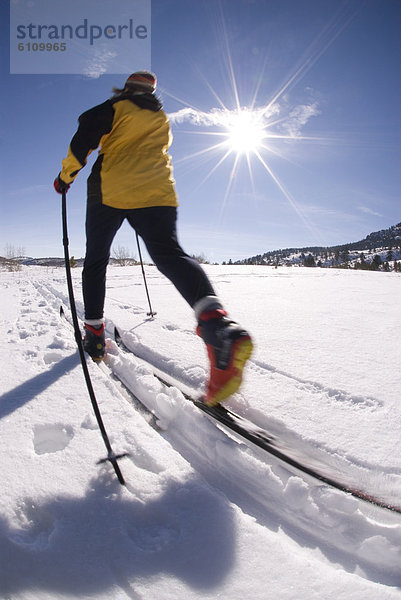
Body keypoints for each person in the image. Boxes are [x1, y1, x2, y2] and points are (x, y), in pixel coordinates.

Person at [54, 71, 253, 406]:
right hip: (158, 191)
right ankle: (218, 328)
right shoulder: (160, 116)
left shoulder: (116, 106)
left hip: (111, 189)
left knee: (97, 260)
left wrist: (65, 176)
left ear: (127, 88)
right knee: (170, 254)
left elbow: (84, 136)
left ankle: (95, 337)